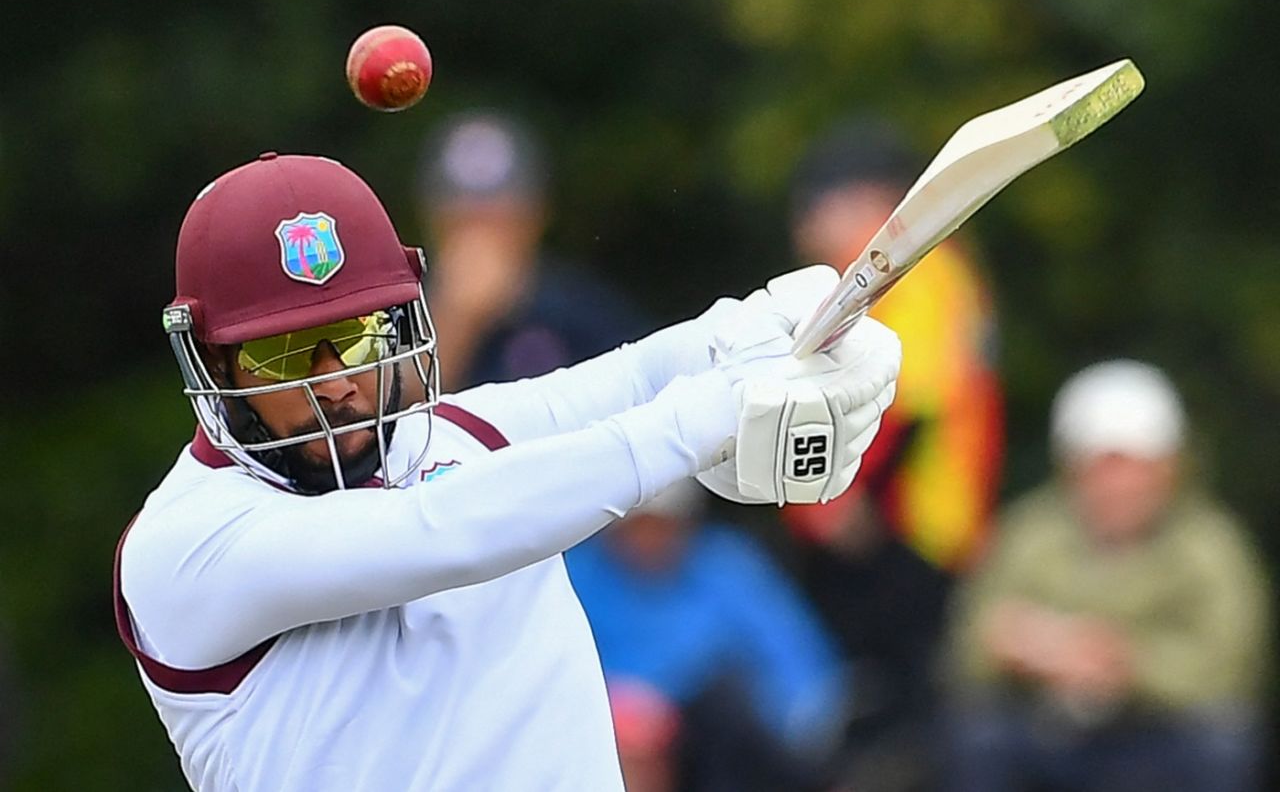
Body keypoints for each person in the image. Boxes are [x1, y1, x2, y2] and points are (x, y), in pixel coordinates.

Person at [114, 151, 902, 791]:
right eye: (281, 353)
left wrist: (757, 329)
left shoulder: (456, 437)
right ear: (214, 364)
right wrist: (715, 410)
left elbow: (631, 376)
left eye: (353, 338)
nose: (332, 382)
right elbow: (441, 531)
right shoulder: (184, 544)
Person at [780, 120, 1004, 790]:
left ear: (867, 201)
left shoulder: (920, 267)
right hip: (919, 519)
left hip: (912, 525)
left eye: (814, 209)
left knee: (893, 721)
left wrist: (838, 490)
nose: (804, 231)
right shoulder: (923, 270)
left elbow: (912, 401)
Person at [944, 360, 1272, 792]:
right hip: (1048, 733)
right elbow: (968, 646)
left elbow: (1230, 665)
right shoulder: (1029, 534)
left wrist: (1125, 664)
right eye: (1102, 466)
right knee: (976, 733)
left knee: (1223, 744)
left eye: (1132, 466)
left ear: (1168, 469)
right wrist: (1024, 653)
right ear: (1071, 468)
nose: (1116, 485)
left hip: (1158, 738)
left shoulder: (1210, 548)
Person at [567, 480, 848, 792]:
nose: (647, 539)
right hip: (620, 740)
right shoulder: (581, 574)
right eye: (636, 526)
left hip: (725, 744)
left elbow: (795, 658)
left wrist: (802, 734)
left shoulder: (727, 564)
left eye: (660, 525)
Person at [418, 110, 648, 390]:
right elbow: (391, 417)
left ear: (537, 214)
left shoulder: (580, 312)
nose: (481, 225)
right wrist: (456, 321)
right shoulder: (398, 314)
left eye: (498, 209)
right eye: (462, 210)